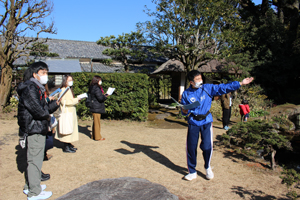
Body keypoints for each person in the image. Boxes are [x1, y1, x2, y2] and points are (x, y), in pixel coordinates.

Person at [181, 70, 253, 181]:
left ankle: (207, 167)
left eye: (201, 78)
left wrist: (240, 83)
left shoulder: (208, 88)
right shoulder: (186, 93)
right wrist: (184, 110)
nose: (200, 81)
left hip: (206, 121)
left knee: (207, 146)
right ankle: (192, 171)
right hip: (193, 122)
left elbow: (223, 88)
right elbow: (184, 111)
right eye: (197, 79)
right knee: (191, 147)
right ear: (191, 82)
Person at [17, 61, 60, 199]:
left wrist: (54, 104)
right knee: (35, 161)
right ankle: (34, 193)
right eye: (43, 73)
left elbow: (42, 109)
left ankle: (30, 186)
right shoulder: (31, 88)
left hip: (36, 127)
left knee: (34, 160)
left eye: (46, 73)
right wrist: (49, 116)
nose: (45, 76)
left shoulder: (36, 87)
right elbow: (38, 111)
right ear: (35, 74)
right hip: (34, 128)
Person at [55, 75, 81, 153]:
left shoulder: (68, 89)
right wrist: (76, 100)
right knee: (67, 129)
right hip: (67, 112)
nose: (71, 81)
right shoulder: (63, 89)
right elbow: (64, 102)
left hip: (70, 112)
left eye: (71, 80)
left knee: (70, 129)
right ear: (65, 81)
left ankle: (69, 145)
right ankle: (66, 147)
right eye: (69, 80)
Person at [88, 75, 109, 141]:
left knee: (95, 122)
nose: (100, 81)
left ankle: (93, 136)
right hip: (96, 107)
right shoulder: (96, 88)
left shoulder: (92, 87)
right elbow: (100, 98)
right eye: (100, 80)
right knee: (97, 123)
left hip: (94, 106)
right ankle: (97, 137)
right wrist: (105, 96)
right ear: (97, 81)